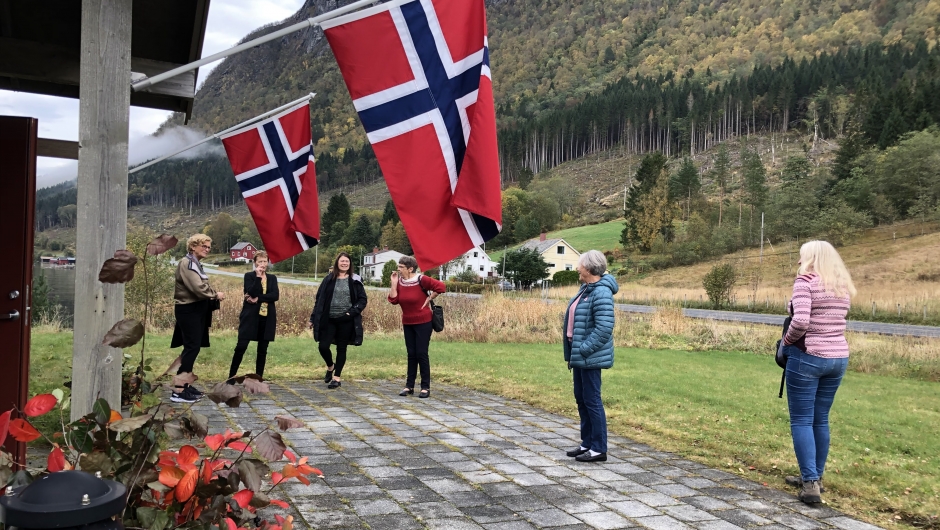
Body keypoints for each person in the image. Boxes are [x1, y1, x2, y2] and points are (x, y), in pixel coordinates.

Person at [781, 240, 855, 504]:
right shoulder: (840, 285)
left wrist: (786, 342)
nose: (799, 262)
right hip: (838, 358)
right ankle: (816, 477)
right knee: (820, 419)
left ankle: (809, 482)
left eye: (802, 257)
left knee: (801, 419)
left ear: (810, 258)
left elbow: (800, 321)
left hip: (808, 356)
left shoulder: (805, 282)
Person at [563, 250, 618, 463]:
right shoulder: (586, 289)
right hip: (579, 355)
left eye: (580, 265)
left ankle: (598, 449)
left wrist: (584, 349)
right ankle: (587, 443)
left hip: (589, 355)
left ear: (590, 267)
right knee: (582, 398)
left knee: (592, 400)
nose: (577, 268)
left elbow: (604, 327)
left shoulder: (601, 292)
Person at [170, 234, 225, 403]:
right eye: (204, 246)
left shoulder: (195, 263)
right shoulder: (186, 263)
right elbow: (198, 288)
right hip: (189, 309)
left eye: (209, 247)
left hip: (196, 309)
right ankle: (178, 390)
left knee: (192, 348)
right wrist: (215, 294)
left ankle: (184, 384)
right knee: (191, 348)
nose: (207, 249)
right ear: (193, 246)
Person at [387, 256, 445, 398]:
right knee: (411, 354)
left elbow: (441, 287)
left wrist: (430, 298)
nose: (398, 269)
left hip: (423, 322)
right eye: (399, 266)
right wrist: (393, 283)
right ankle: (409, 386)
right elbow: (393, 300)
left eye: (401, 267)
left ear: (410, 268)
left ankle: (425, 387)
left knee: (421, 353)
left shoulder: (421, 280)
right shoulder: (400, 282)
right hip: (408, 322)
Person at [310, 253, 368, 389]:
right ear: (337, 263)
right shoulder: (328, 279)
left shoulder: (355, 280)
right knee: (323, 346)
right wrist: (313, 318)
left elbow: (362, 300)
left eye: (347, 261)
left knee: (342, 348)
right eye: (342, 261)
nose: (344, 263)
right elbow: (319, 300)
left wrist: (350, 313)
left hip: (346, 320)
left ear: (350, 264)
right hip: (328, 319)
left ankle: (336, 378)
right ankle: (331, 366)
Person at [229, 251, 279, 383]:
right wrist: (257, 277)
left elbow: (275, 296)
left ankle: (258, 378)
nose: (263, 264)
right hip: (250, 318)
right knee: (241, 347)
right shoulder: (249, 276)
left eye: (265, 261)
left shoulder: (272, 278)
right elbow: (250, 291)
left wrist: (258, 299)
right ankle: (231, 377)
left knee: (262, 350)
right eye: (260, 261)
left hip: (266, 317)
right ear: (255, 262)